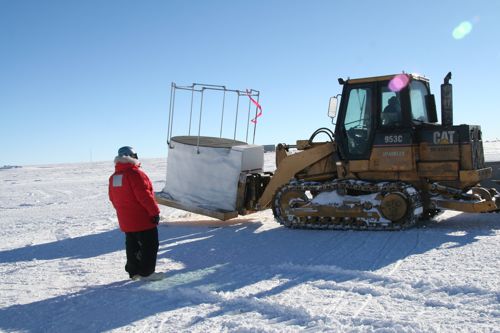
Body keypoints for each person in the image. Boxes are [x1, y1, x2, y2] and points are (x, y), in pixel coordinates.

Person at [108, 146, 163, 281]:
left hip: (126, 220)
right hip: (142, 219)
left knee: (132, 246)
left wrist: (123, 212)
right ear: (131, 156)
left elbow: (113, 198)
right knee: (150, 245)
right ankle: (147, 273)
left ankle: (134, 272)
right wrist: (154, 212)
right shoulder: (135, 174)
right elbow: (144, 196)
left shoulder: (114, 177)